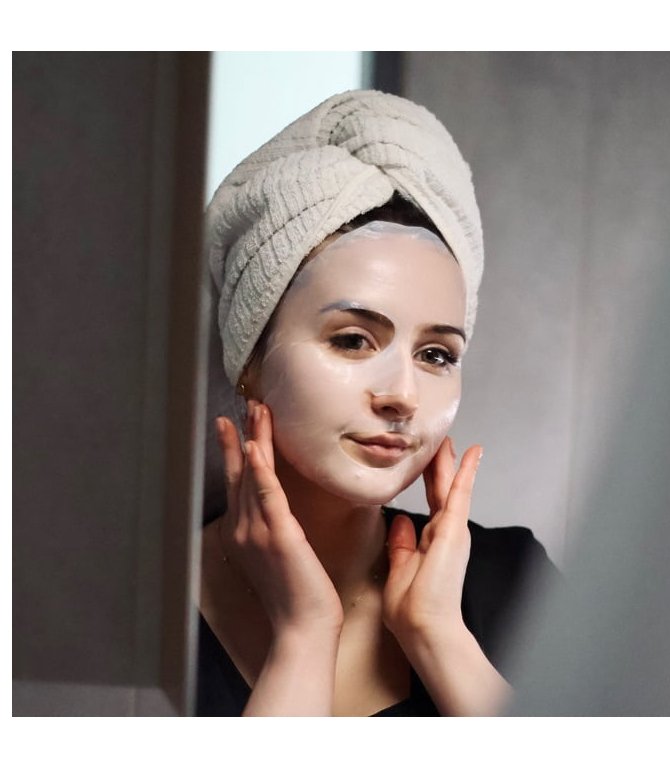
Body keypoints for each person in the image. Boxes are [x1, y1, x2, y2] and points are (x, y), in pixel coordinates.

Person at [198, 91, 555, 716]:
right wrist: (305, 633)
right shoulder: (128, 605)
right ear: (249, 359)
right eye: (353, 340)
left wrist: (439, 635)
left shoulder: (515, 583)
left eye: (436, 354)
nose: (403, 396)